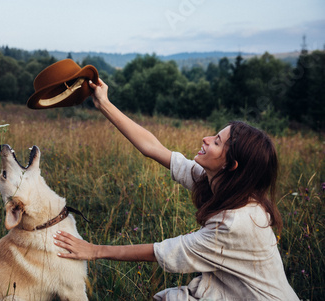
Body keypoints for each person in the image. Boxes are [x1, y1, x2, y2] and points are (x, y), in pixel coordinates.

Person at [53, 78, 299, 300]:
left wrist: (94, 250)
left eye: (216, 141)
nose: (205, 138)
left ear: (231, 165)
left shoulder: (236, 222)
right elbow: (152, 147)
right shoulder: (217, 181)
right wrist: (104, 104)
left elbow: (165, 252)